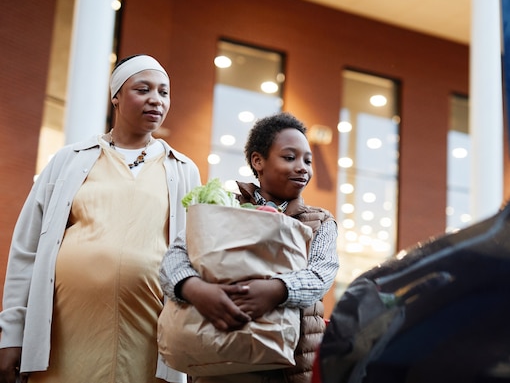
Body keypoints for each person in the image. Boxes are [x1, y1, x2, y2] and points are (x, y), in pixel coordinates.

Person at [0, 54, 201, 383]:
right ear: (116, 96)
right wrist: (11, 334)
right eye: (143, 89)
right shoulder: (69, 160)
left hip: (148, 335)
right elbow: (27, 247)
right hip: (66, 334)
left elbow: (196, 254)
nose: (156, 99)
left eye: (163, 92)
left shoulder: (182, 169)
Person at [160, 112, 339, 383]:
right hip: (216, 358)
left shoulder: (320, 221)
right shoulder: (221, 207)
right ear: (258, 161)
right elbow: (174, 258)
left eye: (308, 160)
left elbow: (322, 274)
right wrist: (196, 290)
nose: (302, 167)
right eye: (289, 157)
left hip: (288, 370)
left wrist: (276, 290)